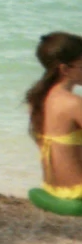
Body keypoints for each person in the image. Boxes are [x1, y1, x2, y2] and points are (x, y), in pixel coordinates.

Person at [31, 32, 82, 214]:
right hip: (77, 193)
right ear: (65, 69)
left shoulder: (37, 100)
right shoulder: (73, 103)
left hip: (52, 189)